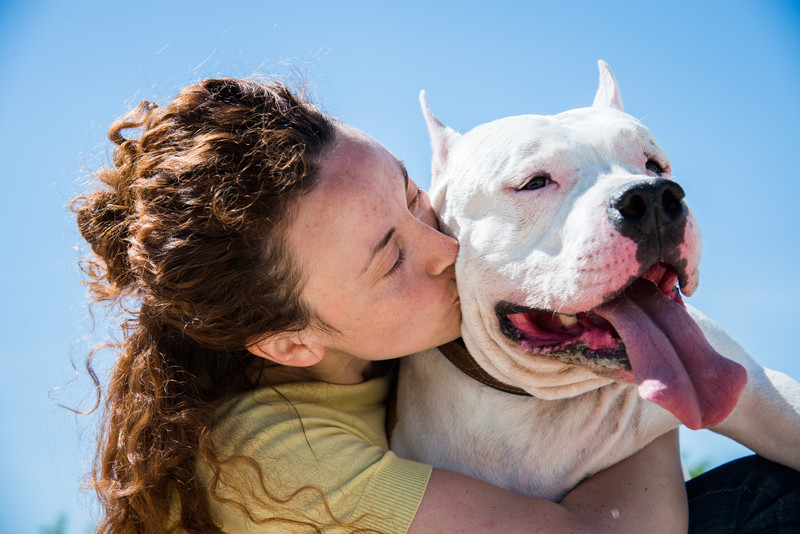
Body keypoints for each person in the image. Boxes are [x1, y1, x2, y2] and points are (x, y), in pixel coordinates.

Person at [72, 77, 796, 534]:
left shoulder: (388, 334)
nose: (448, 247)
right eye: (392, 257)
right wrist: (647, 392)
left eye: (417, 198)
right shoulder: (267, 455)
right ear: (290, 342)